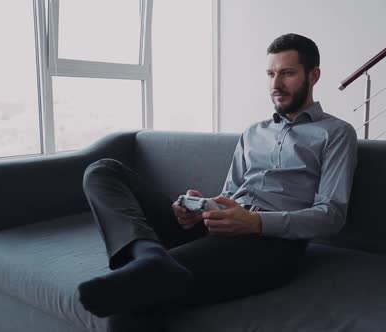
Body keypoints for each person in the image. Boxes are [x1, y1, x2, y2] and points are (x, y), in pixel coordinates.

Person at [77, 33, 358, 320]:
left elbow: (331, 214)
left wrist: (256, 222)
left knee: (135, 297)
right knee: (102, 171)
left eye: (287, 73)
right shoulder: (253, 132)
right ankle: (150, 255)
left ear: (314, 75)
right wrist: (200, 208)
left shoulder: (336, 133)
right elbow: (231, 193)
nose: (276, 84)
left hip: (270, 245)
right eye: (271, 74)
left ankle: (153, 265)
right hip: (223, 226)